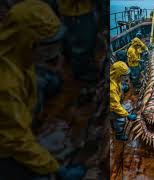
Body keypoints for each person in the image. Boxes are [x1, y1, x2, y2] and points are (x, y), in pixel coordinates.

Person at [0, 0, 84, 179]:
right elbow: (15, 140)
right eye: (48, 46)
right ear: (29, 42)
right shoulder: (7, 85)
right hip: (5, 147)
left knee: (48, 82)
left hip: (13, 116)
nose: (53, 52)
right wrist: (54, 168)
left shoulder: (14, 49)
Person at [57, 0, 98, 82]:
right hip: (76, 13)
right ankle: (81, 73)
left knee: (85, 42)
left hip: (81, 11)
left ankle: (85, 66)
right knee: (80, 45)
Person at [110, 61, 138, 141]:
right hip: (112, 108)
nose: (126, 77)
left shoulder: (114, 79)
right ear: (118, 74)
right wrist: (127, 115)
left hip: (115, 102)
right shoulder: (111, 88)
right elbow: (115, 106)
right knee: (120, 119)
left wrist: (122, 87)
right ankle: (119, 135)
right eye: (124, 76)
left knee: (125, 109)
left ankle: (113, 124)